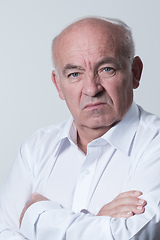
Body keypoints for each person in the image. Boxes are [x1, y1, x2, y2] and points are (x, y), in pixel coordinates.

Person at [0, 16, 160, 240]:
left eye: (106, 69)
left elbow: (132, 236)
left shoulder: (156, 144)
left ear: (135, 72)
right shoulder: (35, 148)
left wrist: (37, 216)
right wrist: (98, 221)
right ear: (58, 84)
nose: (92, 89)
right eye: (74, 74)